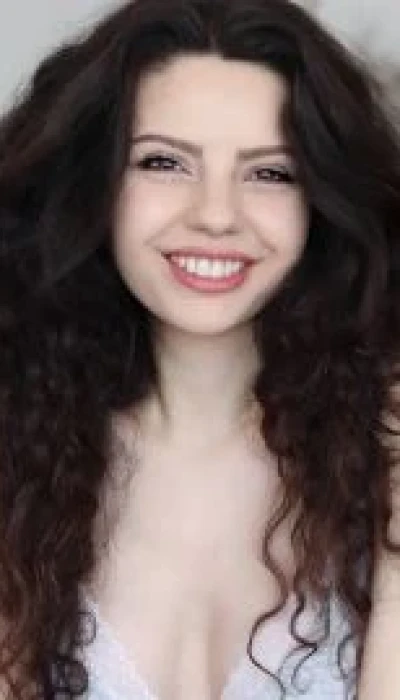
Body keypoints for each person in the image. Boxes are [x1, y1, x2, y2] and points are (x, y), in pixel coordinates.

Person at [0, 0, 399, 698]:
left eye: (270, 173)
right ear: (93, 182)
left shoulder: (381, 448)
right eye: (164, 163)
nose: (216, 215)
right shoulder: (18, 449)